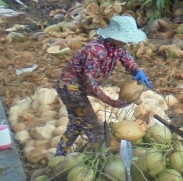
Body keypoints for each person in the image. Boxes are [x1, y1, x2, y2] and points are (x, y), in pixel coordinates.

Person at [55, 16, 152, 155]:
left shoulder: (119, 47)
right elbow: (90, 84)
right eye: (125, 38)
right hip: (70, 88)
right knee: (95, 127)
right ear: (114, 36)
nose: (127, 42)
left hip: (78, 88)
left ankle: (59, 155)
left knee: (76, 124)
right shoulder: (94, 51)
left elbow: (128, 61)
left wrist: (138, 71)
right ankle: (100, 159)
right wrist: (110, 101)